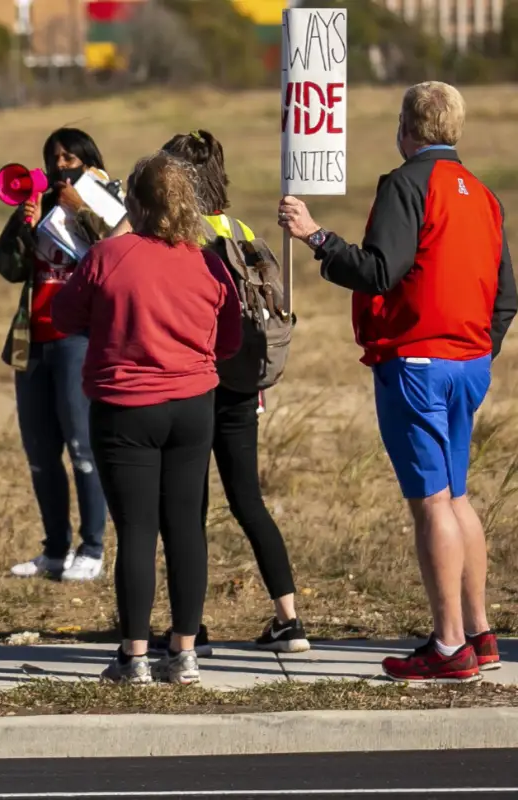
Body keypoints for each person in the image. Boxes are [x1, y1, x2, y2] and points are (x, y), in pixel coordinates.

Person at [278, 81, 517, 683]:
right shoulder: (484, 196)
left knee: (432, 502)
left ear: (408, 128)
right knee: (457, 496)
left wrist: (317, 238)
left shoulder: (406, 184)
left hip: (417, 362)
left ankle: (448, 644)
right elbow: (506, 294)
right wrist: (481, 350)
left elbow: (380, 270)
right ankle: (480, 632)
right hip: (467, 361)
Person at [52, 152, 242, 684]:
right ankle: (183, 654)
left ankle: (133, 656)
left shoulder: (108, 255)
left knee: (136, 530)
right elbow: (228, 341)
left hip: (124, 407)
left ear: (132, 202)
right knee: (185, 527)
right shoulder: (207, 262)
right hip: (192, 405)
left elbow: (63, 315)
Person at [158, 129, 309, 654]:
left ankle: (189, 628)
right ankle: (288, 618)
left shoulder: (182, 237)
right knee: (248, 500)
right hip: (244, 383)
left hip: (196, 381)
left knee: (186, 507)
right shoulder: (238, 228)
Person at [0, 128, 112, 583]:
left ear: (88, 159)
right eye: (53, 157)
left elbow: (113, 253)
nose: (61, 165)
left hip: (77, 337)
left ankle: (93, 547)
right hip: (32, 338)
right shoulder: (38, 202)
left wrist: (79, 213)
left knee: (83, 448)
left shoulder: (106, 199)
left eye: (70, 156)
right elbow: (7, 267)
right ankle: (55, 549)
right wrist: (25, 223)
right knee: (41, 453)